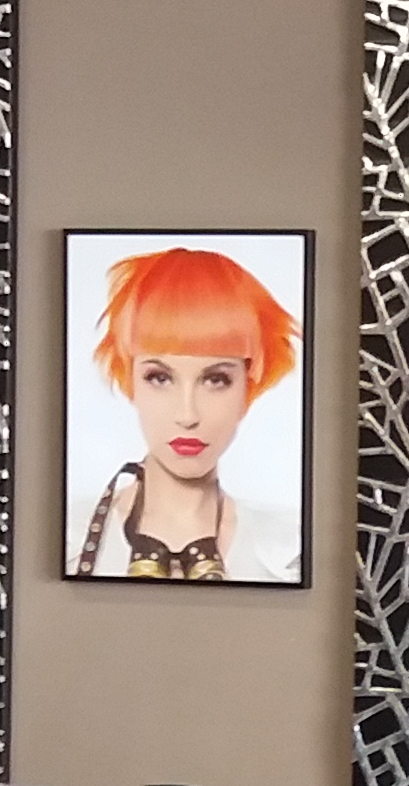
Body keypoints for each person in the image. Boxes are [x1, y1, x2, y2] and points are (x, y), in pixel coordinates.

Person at [72, 244, 304, 582]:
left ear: (249, 385)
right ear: (131, 379)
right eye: (160, 378)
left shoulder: (292, 550)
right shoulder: (63, 539)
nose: (187, 414)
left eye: (216, 380)